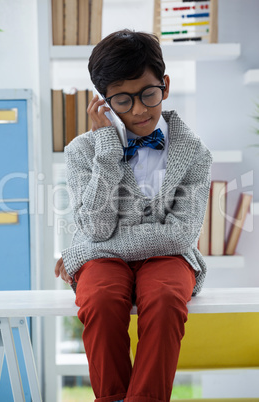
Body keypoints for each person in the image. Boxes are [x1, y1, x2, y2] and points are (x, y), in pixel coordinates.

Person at [55, 29, 212, 402]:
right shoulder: (82, 151)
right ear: (103, 102)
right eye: (123, 100)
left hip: (169, 256)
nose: (140, 109)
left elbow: (180, 234)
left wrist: (84, 251)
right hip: (105, 259)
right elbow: (96, 225)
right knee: (101, 300)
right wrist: (107, 151)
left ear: (166, 85)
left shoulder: (194, 152)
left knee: (166, 299)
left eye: (148, 94)